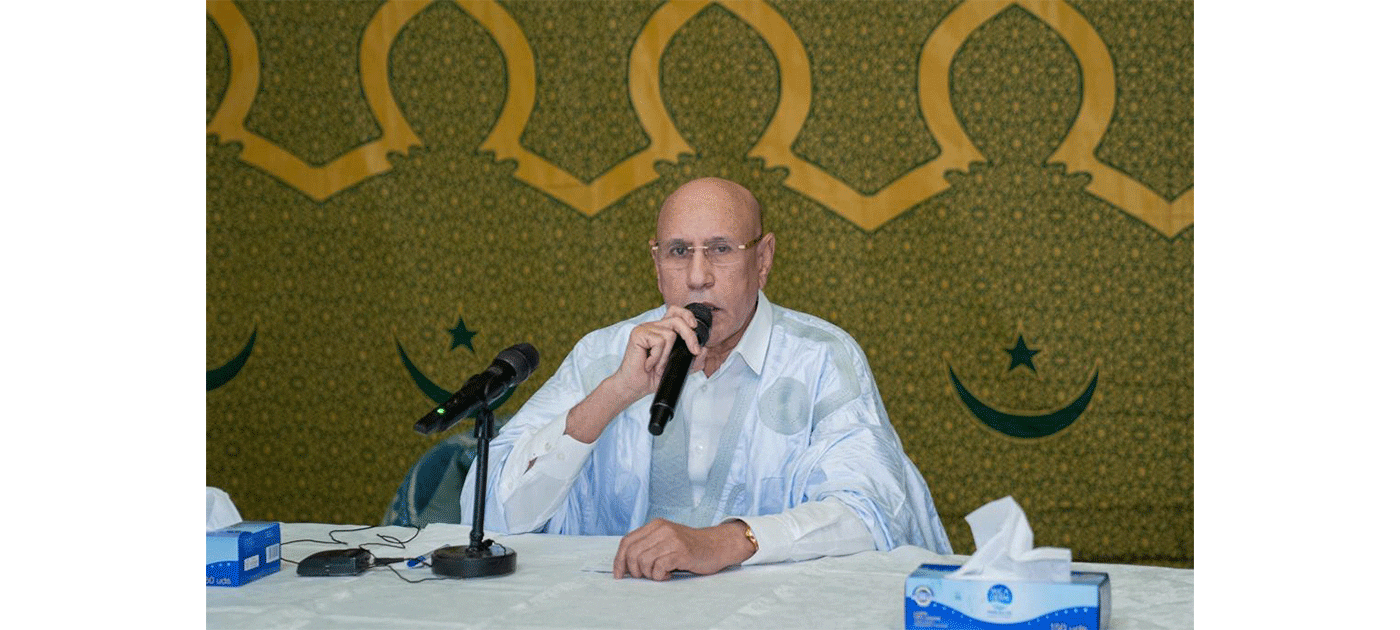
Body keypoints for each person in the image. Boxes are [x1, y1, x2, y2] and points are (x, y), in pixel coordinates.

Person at [462, 177, 952, 580]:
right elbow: (494, 515)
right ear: (656, 265)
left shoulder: (820, 358)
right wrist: (615, 394)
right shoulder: (604, 354)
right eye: (679, 251)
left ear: (763, 259)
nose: (698, 277)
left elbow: (869, 512)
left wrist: (724, 541)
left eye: (720, 249)